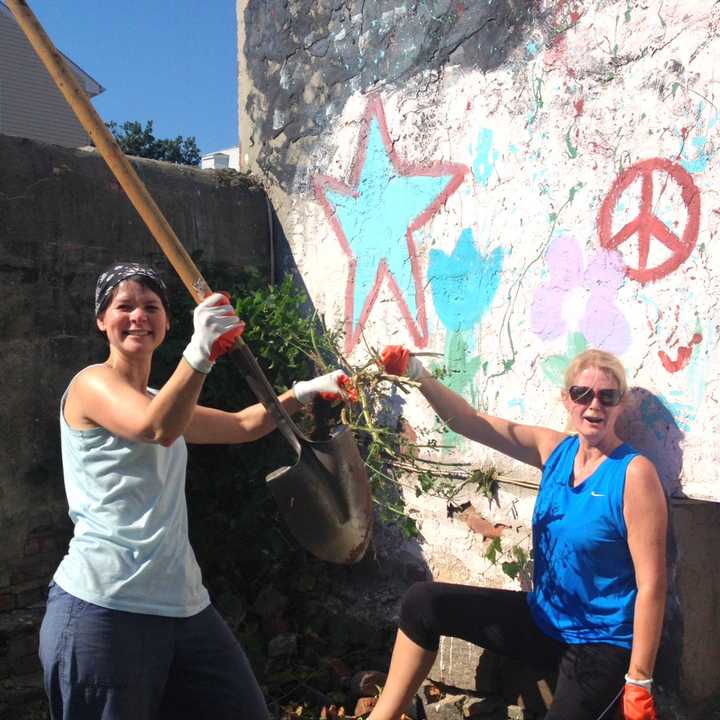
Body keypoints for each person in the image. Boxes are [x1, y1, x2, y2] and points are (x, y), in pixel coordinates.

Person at [39, 262, 347, 720]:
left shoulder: (165, 396)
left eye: (152, 307)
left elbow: (244, 425)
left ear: (166, 321)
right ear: (101, 319)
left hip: (184, 608)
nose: (139, 316)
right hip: (105, 610)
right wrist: (199, 352)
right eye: (124, 306)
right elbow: (154, 427)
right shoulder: (90, 384)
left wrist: (303, 391)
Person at [369, 346, 667, 720]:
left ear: (620, 404)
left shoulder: (634, 474)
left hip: (599, 643)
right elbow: (467, 421)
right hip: (543, 620)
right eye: (582, 394)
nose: (595, 406)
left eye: (607, 396)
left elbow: (652, 585)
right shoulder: (554, 449)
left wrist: (639, 680)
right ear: (567, 399)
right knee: (422, 603)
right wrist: (416, 372)